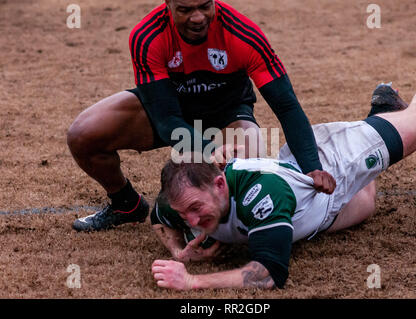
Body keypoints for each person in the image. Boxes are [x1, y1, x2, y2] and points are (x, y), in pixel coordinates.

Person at [150, 63, 416, 290]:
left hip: (335, 161)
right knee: (367, 202)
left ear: (219, 183)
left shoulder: (262, 195)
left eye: (195, 209)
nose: (190, 221)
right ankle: (383, 114)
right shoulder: (181, 197)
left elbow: (269, 274)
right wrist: (177, 249)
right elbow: (157, 217)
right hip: (319, 208)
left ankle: (381, 125)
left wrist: (192, 281)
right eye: (182, 213)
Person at [68, 0, 336, 232]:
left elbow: (286, 106)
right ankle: (126, 205)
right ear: (168, 4)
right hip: (170, 112)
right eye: (185, 9)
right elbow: (167, 121)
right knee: (83, 134)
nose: (197, 17)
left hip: (227, 116)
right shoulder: (146, 36)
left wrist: (311, 166)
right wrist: (208, 151)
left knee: (245, 182)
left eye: (205, 6)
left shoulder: (243, 34)